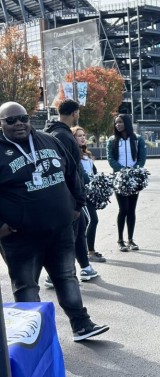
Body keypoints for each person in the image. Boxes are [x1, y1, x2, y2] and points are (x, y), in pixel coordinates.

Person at [0, 101, 109, 341]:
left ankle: (82, 324)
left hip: (59, 231)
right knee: (27, 287)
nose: (18, 123)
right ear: (1, 124)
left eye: (23, 118)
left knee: (67, 277)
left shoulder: (49, 140)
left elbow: (72, 171)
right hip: (21, 238)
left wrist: (78, 204)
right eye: (10, 120)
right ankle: (35, 340)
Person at [45, 99, 98, 283]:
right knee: (69, 237)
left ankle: (84, 267)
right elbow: (70, 170)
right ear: (75, 113)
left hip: (61, 195)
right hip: (67, 197)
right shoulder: (63, 136)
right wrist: (77, 198)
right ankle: (57, 275)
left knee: (76, 231)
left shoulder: (50, 133)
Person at [106, 114, 147, 252]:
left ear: (127, 123)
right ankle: (120, 240)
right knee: (123, 209)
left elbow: (142, 158)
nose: (117, 125)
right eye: (116, 123)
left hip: (134, 177)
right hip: (119, 178)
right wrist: (122, 170)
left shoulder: (138, 139)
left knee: (131, 209)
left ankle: (130, 240)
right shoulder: (112, 140)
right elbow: (110, 158)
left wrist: (134, 170)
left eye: (120, 122)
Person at [73, 125, 105, 263]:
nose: (83, 138)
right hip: (83, 193)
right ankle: (87, 252)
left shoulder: (87, 154)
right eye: (79, 136)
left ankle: (86, 250)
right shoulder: (74, 155)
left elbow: (93, 172)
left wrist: (100, 183)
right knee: (91, 220)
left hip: (91, 192)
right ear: (73, 138)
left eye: (84, 135)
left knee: (88, 222)